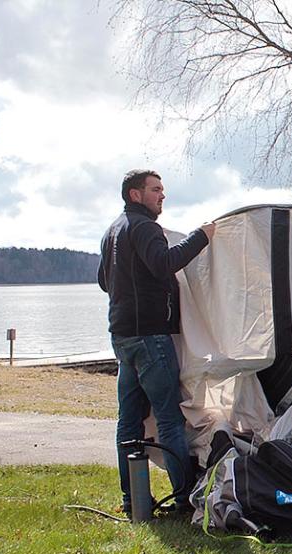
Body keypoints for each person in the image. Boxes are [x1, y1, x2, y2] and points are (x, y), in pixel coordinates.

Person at [97, 169, 215, 516]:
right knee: (169, 418)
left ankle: (132, 498)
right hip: (150, 336)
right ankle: (183, 499)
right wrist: (201, 237)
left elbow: (103, 281)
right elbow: (165, 264)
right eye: (156, 189)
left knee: (128, 421)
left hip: (122, 336)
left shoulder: (112, 230)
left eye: (162, 189)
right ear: (135, 195)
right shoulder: (146, 228)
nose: (163, 195)